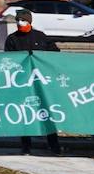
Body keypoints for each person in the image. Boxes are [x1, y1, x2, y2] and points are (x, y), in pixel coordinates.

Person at [4, 9, 62, 155]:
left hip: (40, 82)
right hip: (22, 82)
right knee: (25, 113)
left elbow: (55, 53)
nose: (19, 23)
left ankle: (54, 144)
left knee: (46, 112)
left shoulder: (40, 37)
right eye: (18, 20)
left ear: (29, 22)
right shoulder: (12, 39)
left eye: (22, 20)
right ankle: (26, 146)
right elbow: (7, 60)